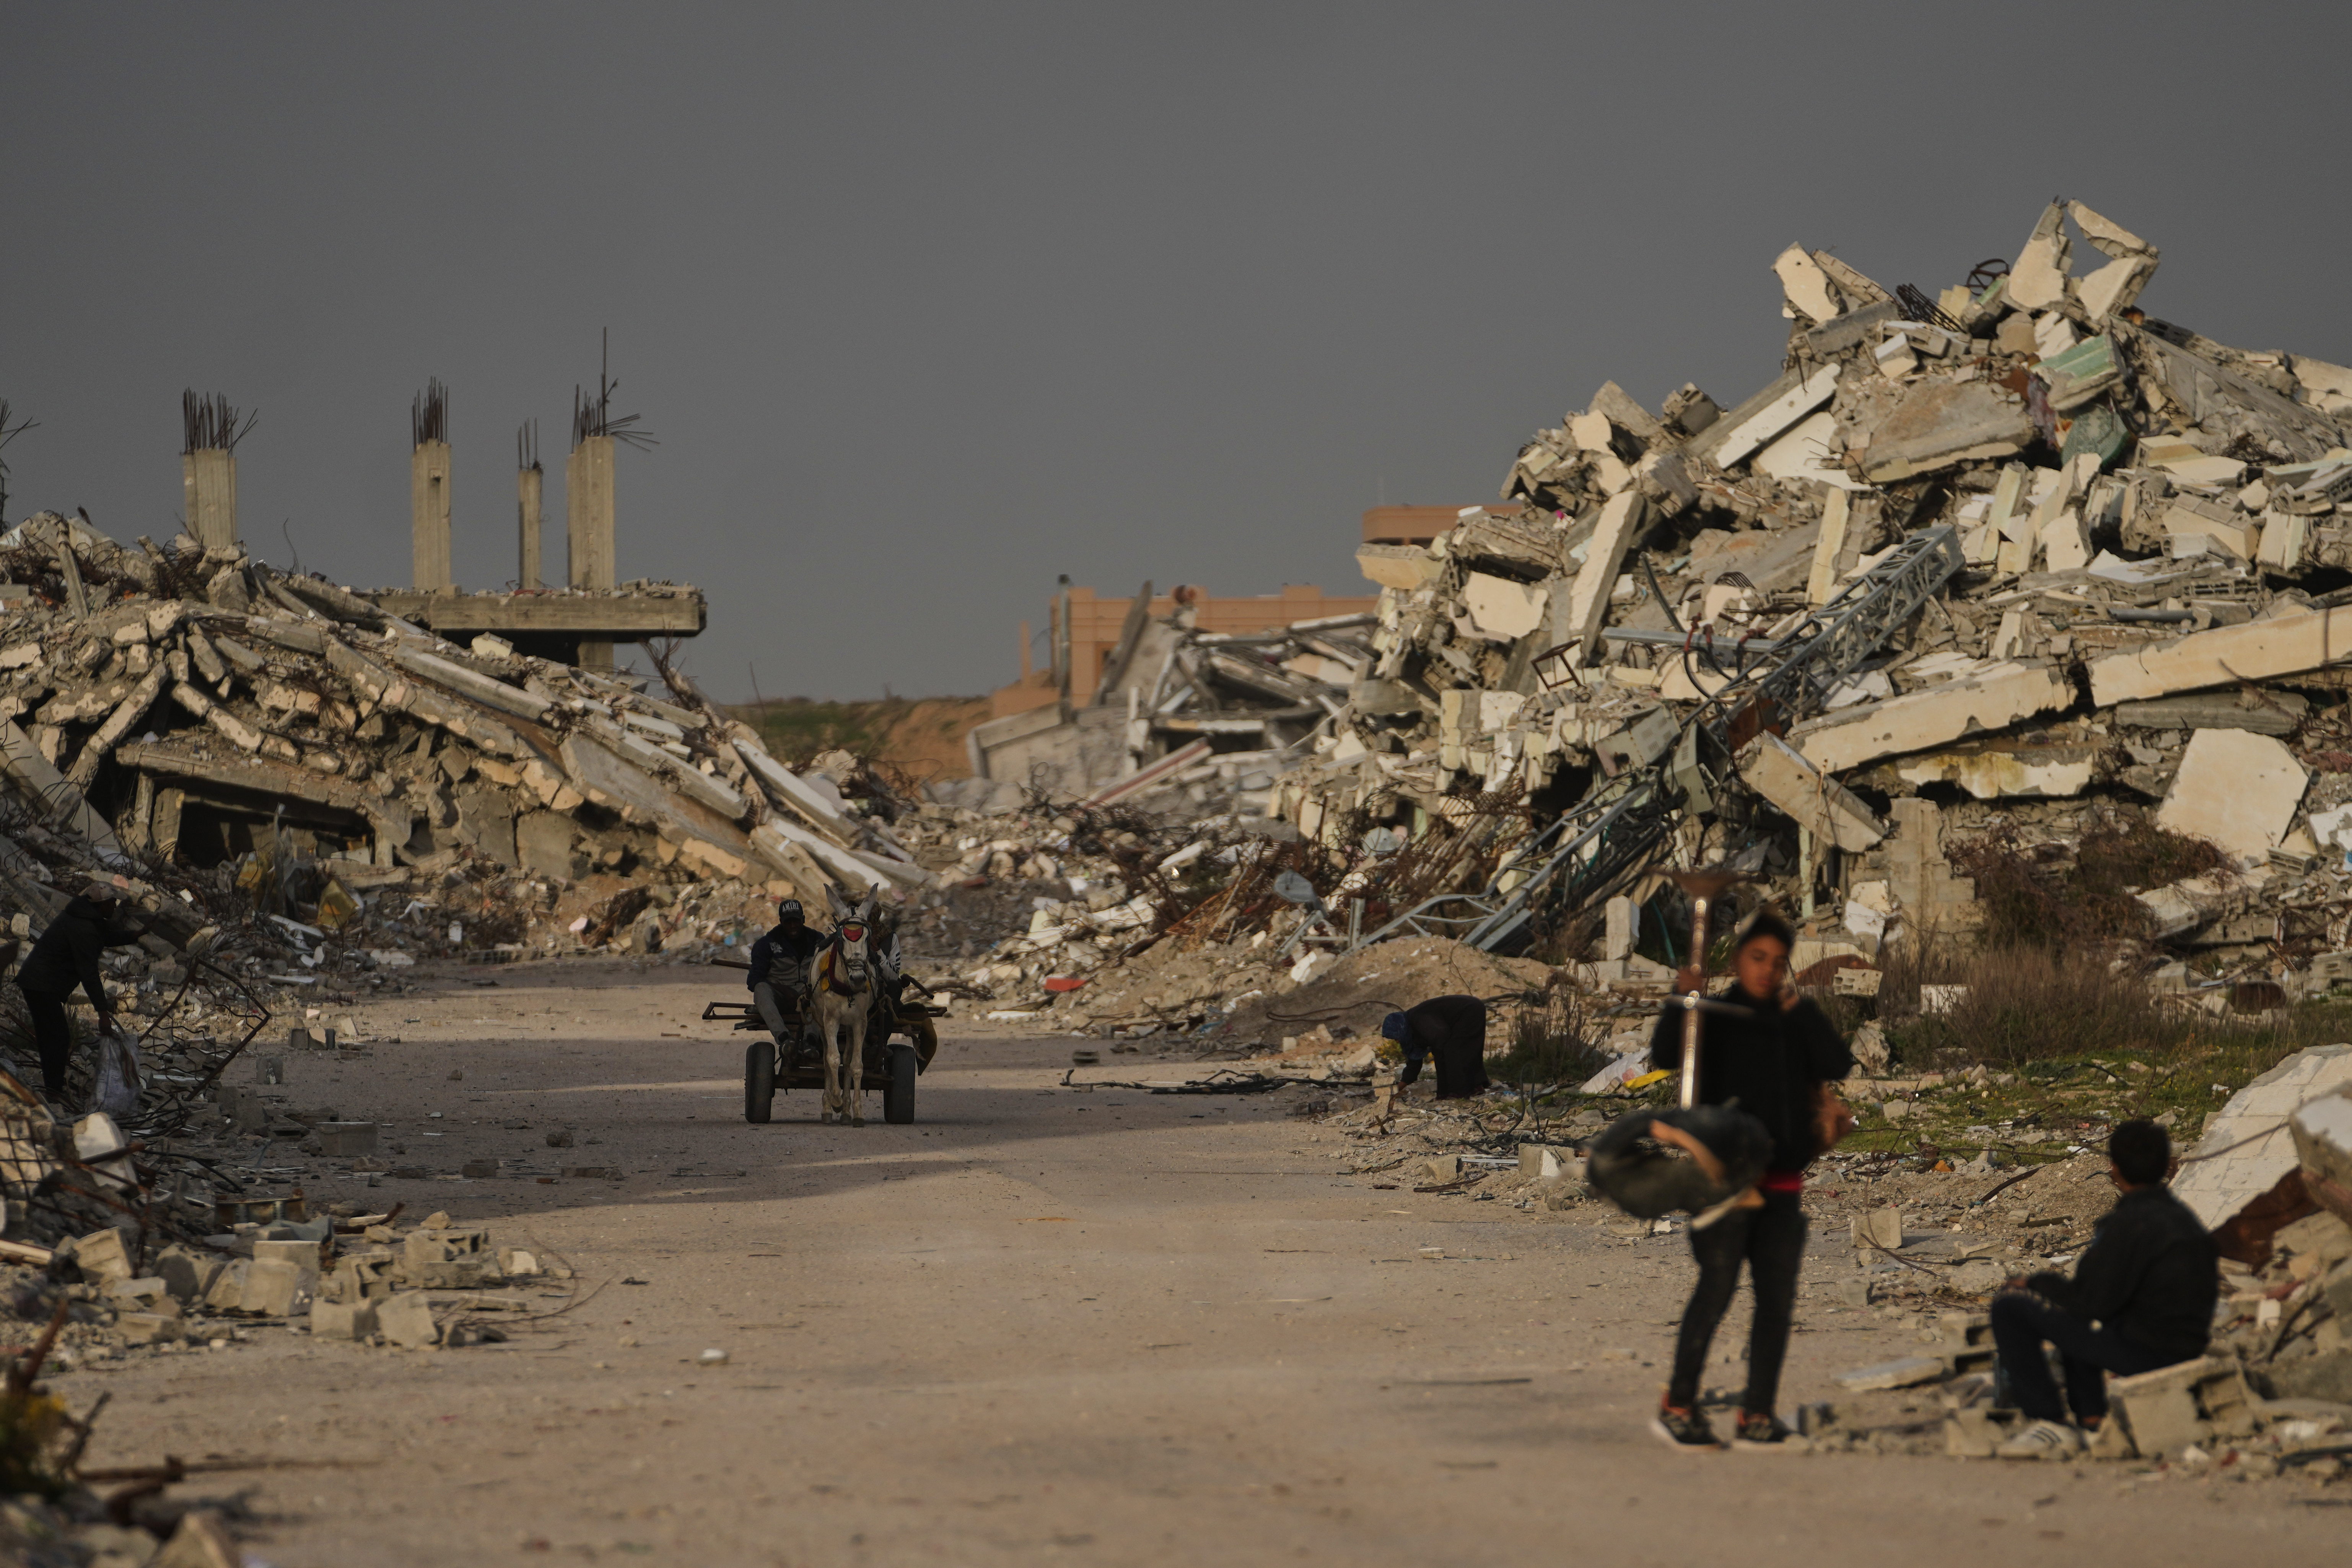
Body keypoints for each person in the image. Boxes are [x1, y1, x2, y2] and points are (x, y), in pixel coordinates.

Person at [1644, 909, 1852, 1451]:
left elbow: (1838, 1062)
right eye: (1757, 958)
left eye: (1778, 962)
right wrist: (1680, 1000)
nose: (1767, 970)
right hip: (1726, 1181)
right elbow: (1666, 1056)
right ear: (1738, 960)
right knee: (1715, 1292)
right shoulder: (1716, 1014)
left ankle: (1756, 1414)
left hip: (1783, 1184)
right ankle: (1679, 1404)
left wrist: (1803, 1013)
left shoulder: (1790, 1020)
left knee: (1776, 1304)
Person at [1988, 1118, 2218, 1459]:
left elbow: (2091, 1301)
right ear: (2165, 1167)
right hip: (2187, 1345)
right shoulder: (2184, 1218)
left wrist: (2036, 1284)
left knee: (2011, 1306)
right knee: (2076, 1318)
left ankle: (2049, 1421)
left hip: (2150, 1353)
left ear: (2114, 1169)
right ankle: (2091, 1418)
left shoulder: (2129, 1223)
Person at [14, 882, 144, 1102]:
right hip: (41, 985)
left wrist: (136, 935)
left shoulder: (87, 917)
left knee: (53, 1037)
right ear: (101, 904)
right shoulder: (82, 926)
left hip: (43, 984)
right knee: (58, 1037)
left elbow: (106, 937)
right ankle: (53, 1091)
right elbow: (89, 973)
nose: (115, 906)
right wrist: (103, 1013)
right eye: (112, 902)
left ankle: (53, 1088)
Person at [747, 899, 825, 1054]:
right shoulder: (767, 943)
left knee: (822, 991)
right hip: (781, 998)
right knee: (761, 989)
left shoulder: (818, 940)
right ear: (781, 922)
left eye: (796, 921)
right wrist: (784, 990)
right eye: (788, 922)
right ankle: (785, 1040)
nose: (793, 926)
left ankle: (811, 1042)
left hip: (808, 997)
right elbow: (754, 980)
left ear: (803, 920)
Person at [1379, 995, 1489, 1098]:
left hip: (1469, 1010)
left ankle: (1460, 1092)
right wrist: (1396, 1089)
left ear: (1402, 1031)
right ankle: (1471, 1087)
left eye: (1398, 1037)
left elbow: (1442, 1041)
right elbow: (1414, 1063)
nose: (1398, 1041)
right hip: (1464, 1014)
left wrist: (1442, 1093)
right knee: (1452, 1051)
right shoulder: (1409, 1032)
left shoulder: (1420, 1022)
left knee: (1454, 1050)